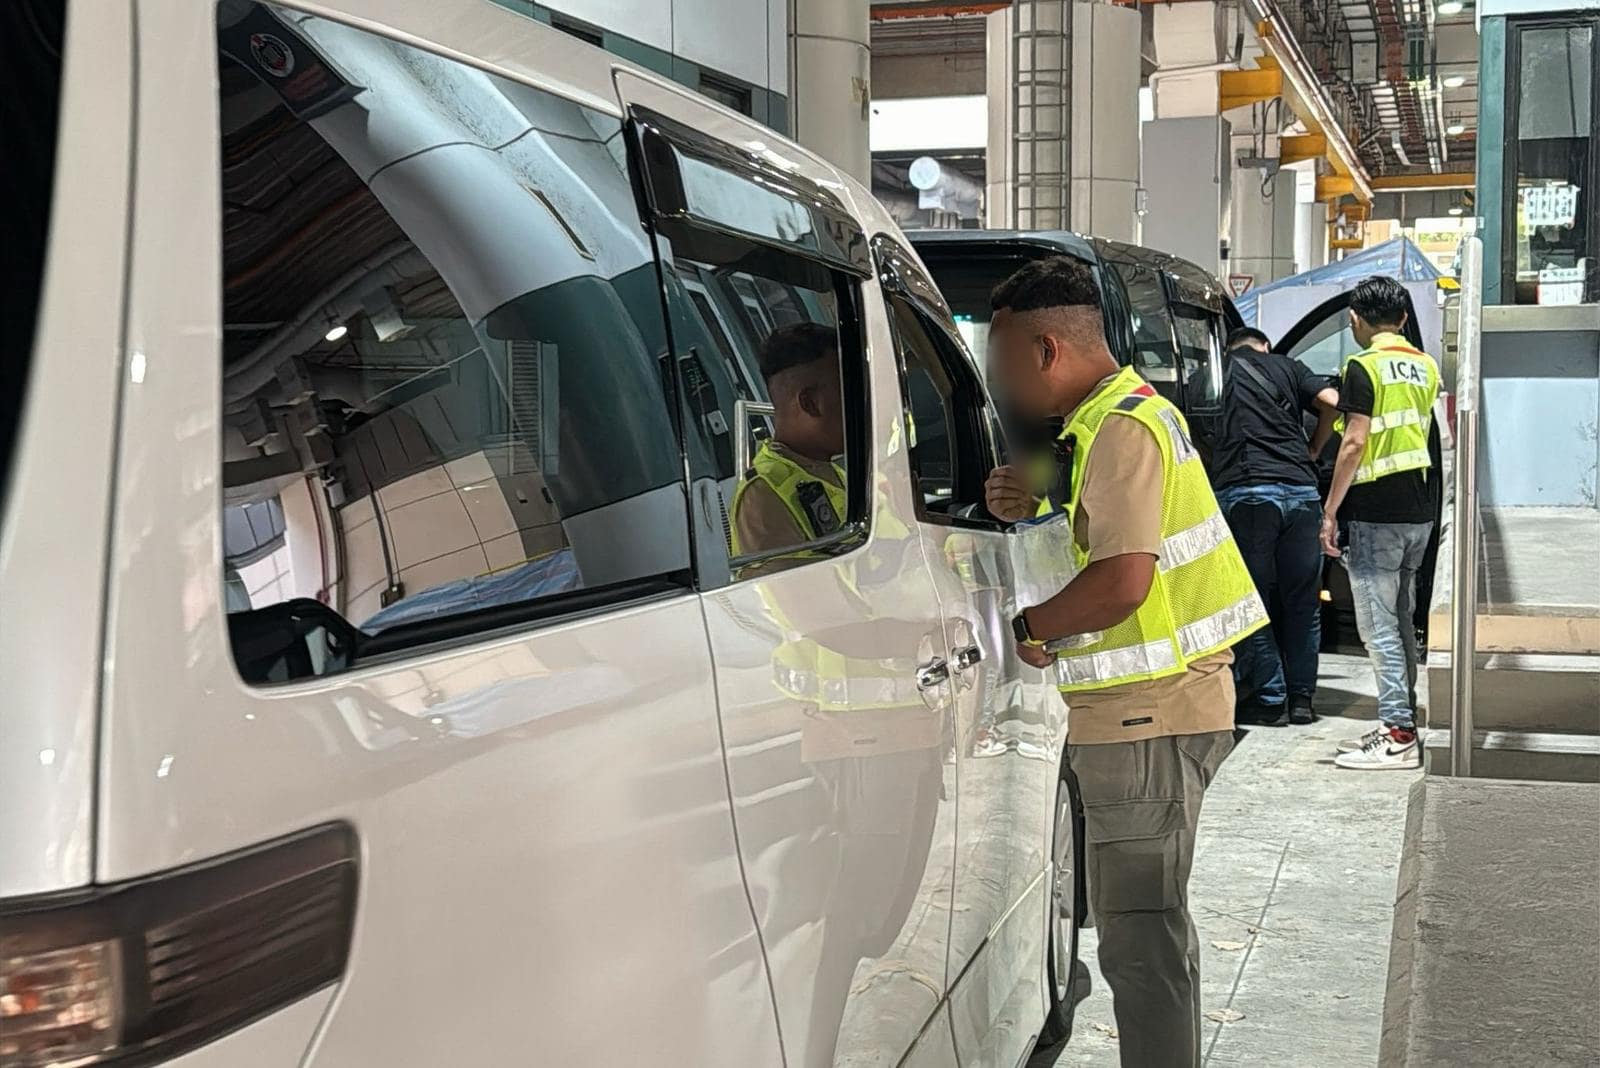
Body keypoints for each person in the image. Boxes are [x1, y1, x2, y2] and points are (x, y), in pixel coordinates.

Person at [983, 256, 1268, 1068]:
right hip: (1159, 709)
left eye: (1005, 364)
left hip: (1148, 717)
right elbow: (1096, 512)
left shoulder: (1121, 429)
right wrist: (1033, 495)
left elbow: (1121, 581)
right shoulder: (1116, 416)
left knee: (1138, 939)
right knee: (1155, 933)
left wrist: (1030, 626)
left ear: (1046, 350)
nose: (1003, 387)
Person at [1320, 276, 1440, 771]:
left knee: (1377, 627)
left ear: (1356, 320)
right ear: (1405, 319)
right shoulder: (1425, 365)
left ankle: (1397, 733)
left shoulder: (1362, 366)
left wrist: (1329, 510)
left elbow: (1353, 442)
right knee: (1402, 622)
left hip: (1375, 510)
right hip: (1419, 510)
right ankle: (1402, 720)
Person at [1207, 326, 1341, 726]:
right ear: (1265, 346)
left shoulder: (1213, 374)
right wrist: (1314, 448)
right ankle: (1302, 701)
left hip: (1246, 494)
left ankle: (1270, 697)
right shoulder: (1288, 366)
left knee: (1250, 601)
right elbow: (1333, 402)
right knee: (1304, 603)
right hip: (1301, 493)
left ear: (1229, 348)